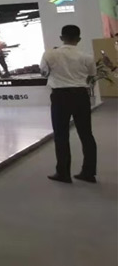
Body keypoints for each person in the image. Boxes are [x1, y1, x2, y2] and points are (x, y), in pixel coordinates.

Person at [40, 24, 98, 184]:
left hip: (60, 97)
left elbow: (43, 73)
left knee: (61, 135)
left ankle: (63, 173)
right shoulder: (87, 56)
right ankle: (89, 173)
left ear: (61, 37)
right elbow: (91, 75)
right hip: (80, 96)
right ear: (79, 39)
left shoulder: (50, 54)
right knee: (86, 134)